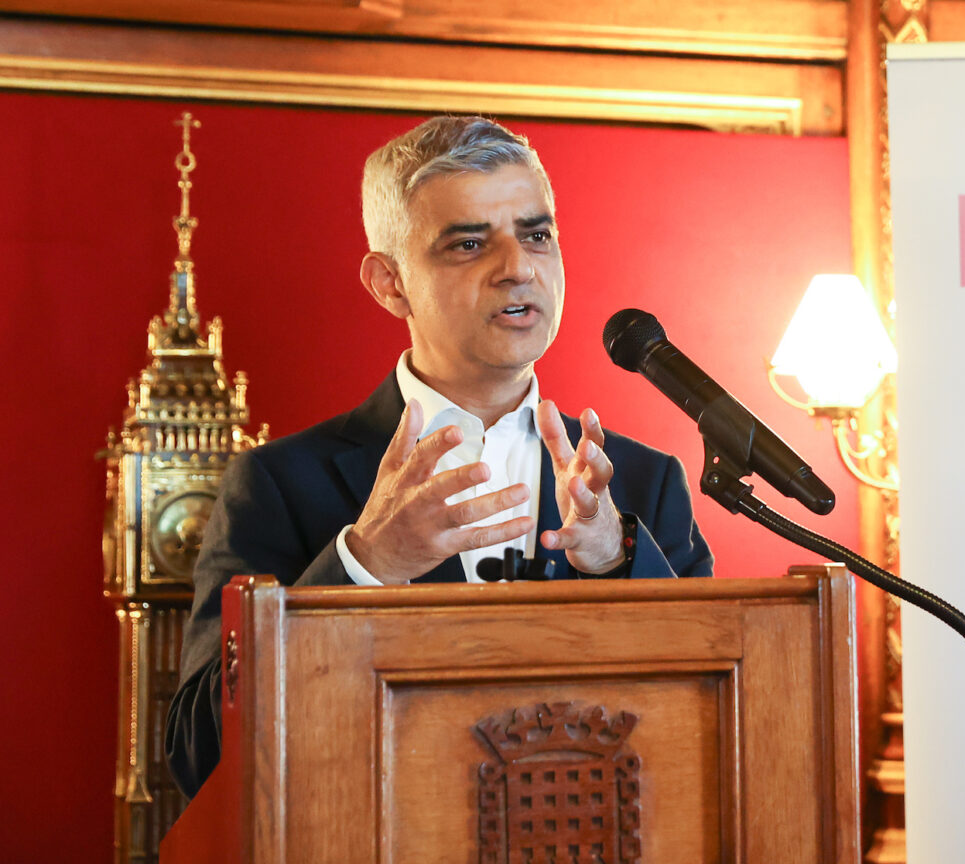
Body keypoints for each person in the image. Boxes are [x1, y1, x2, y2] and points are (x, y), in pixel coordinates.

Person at [165, 116, 713, 798]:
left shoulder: (644, 484)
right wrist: (364, 564)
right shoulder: (278, 485)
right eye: (469, 243)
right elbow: (200, 754)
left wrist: (618, 562)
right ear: (389, 283)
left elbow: (710, 723)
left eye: (537, 234)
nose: (518, 266)